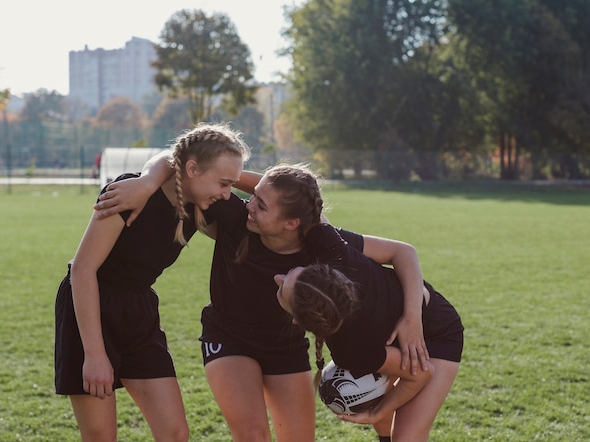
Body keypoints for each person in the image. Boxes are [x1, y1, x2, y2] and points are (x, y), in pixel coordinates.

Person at [93, 162, 431, 442]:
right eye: (253, 197)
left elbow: (403, 252)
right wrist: (148, 182)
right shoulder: (234, 216)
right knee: (254, 435)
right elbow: (190, 161)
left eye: (262, 204)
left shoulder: (323, 242)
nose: (248, 205)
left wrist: (412, 317)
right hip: (228, 337)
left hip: (284, 345)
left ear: (292, 223)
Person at [54, 122, 250, 442]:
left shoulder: (204, 204)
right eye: (224, 182)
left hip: (139, 311)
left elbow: (274, 191)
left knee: (174, 433)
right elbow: (83, 270)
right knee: (101, 436)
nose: (228, 193)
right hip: (89, 308)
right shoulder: (130, 192)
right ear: (192, 169)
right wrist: (94, 354)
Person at [273, 223, 464, 442]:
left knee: (406, 436)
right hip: (382, 338)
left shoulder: (337, 253)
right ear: (300, 319)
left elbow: (422, 372)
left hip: (437, 333)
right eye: (282, 288)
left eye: (287, 276)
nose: (277, 277)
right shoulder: (352, 349)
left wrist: (412, 318)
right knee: (380, 402)